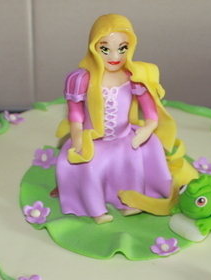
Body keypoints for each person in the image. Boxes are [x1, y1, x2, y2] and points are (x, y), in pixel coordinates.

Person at [55, 14, 185, 224]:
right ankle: (95, 210)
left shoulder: (135, 77)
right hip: (93, 140)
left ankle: (130, 203)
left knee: (131, 162)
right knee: (90, 167)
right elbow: (75, 113)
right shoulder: (81, 79)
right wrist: (78, 137)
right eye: (105, 49)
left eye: (122, 48)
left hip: (124, 137)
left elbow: (151, 114)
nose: (114, 56)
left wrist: (147, 128)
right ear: (93, 47)